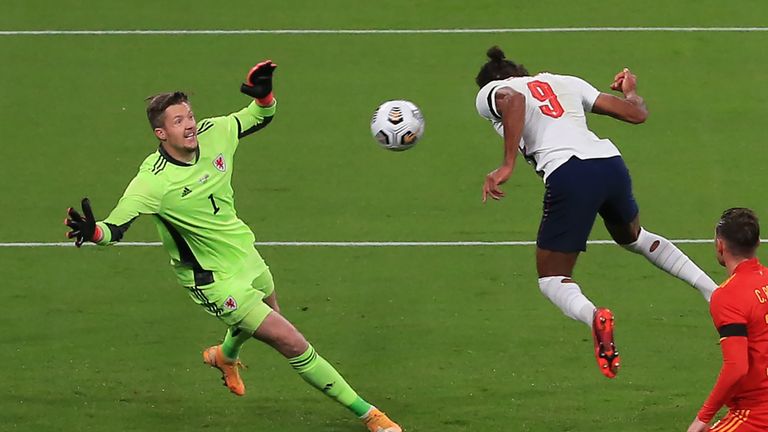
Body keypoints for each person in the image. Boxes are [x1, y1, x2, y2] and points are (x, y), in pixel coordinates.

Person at [64, 60, 401, 432]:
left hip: (243, 252)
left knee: (270, 313)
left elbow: (259, 115)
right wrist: (94, 232)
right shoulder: (151, 183)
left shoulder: (216, 132)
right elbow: (115, 227)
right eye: (178, 121)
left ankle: (225, 356)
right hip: (212, 278)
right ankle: (371, 416)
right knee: (291, 341)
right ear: (161, 133)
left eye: (189, 116)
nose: (190, 124)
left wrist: (265, 94)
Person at [474, 46, 718, 378]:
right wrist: (631, 91)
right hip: (610, 165)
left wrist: (506, 164)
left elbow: (511, 101)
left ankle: (594, 317)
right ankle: (713, 292)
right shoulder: (565, 81)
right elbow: (636, 114)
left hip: (570, 174)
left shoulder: (493, 91)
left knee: (551, 278)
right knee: (634, 237)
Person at [687, 208, 768, 432]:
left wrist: (702, 418)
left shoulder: (727, 296)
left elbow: (736, 367)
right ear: (757, 243)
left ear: (720, 245)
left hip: (756, 416)